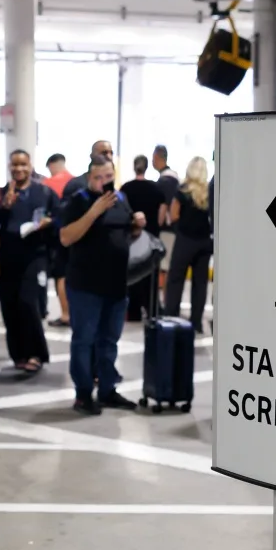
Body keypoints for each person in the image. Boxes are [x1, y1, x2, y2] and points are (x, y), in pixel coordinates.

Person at [57, 157, 140, 414]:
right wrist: (94, 211)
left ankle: (107, 389)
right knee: (84, 340)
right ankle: (83, 394)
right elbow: (66, 237)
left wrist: (136, 225)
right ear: (89, 178)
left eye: (108, 176)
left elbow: (123, 234)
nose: (104, 182)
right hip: (85, 286)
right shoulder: (78, 200)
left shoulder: (121, 199)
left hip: (115, 284)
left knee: (109, 340)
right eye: (98, 178)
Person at [0, 149, 54, 374]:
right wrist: (4, 207)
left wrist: (48, 222)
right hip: (7, 256)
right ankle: (18, 354)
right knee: (9, 306)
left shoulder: (43, 192)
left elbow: (59, 216)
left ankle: (36, 353)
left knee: (29, 304)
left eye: (23, 164)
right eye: (15, 165)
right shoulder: (0, 193)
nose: (19, 169)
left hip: (34, 255)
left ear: (30, 166)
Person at [163, 156, 213, 327]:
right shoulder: (209, 191)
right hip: (205, 242)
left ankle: (171, 315)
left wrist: (180, 229)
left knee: (176, 279)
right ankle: (197, 321)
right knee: (200, 283)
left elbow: (174, 214)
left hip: (185, 240)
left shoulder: (183, 190)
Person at [120, 155, 165, 322]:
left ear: (134, 167)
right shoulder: (156, 189)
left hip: (132, 237)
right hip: (151, 237)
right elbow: (161, 217)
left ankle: (133, 312)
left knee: (132, 274)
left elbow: (123, 213)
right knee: (151, 275)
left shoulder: (125, 188)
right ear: (147, 167)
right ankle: (152, 309)